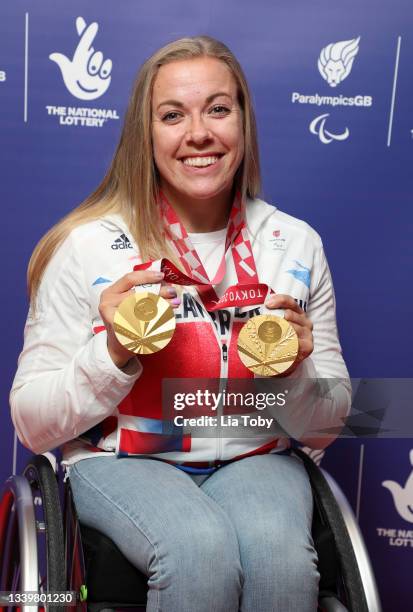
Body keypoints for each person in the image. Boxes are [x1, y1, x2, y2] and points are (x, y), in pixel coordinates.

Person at [10, 36, 351, 611]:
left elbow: (327, 424)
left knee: (282, 561)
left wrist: (293, 376)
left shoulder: (293, 243)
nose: (199, 133)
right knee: (198, 550)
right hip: (121, 461)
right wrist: (114, 352)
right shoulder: (87, 245)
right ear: (145, 134)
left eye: (218, 108)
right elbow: (33, 424)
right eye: (172, 115)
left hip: (254, 458)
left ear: (243, 121)